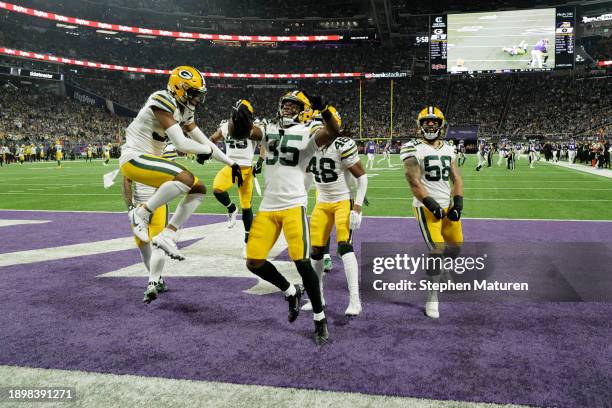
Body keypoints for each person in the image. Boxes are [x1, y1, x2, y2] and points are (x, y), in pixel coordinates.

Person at [245, 90, 342, 345]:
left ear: (305, 110)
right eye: (285, 105)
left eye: (293, 105)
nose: (287, 109)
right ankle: (290, 292)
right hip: (268, 206)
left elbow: (333, 130)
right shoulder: (268, 128)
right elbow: (244, 131)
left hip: (293, 204)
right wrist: (240, 118)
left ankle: (320, 318)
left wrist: (326, 108)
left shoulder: (309, 131)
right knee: (253, 261)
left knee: (302, 262)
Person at [119, 65, 242, 261]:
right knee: (185, 178)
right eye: (193, 93)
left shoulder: (184, 110)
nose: (197, 99)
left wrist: (231, 163)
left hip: (149, 160)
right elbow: (180, 143)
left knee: (198, 188)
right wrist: (206, 150)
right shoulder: (162, 99)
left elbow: (205, 142)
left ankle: (168, 234)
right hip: (134, 158)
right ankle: (140, 214)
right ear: (178, 88)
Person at [302, 107, 368, 316]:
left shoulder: (342, 144)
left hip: (342, 201)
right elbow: (306, 176)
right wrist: (300, 199)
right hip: (321, 203)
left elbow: (361, 177)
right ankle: (317, 297)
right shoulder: (310, 147)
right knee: (316, 252)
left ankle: (355, 300)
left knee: (344, 247)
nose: (317, 130)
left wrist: (357, 206)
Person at [400, 106, 463, 319]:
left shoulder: (449, 147)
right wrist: (430, 203)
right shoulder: (411, 147)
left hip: (447, 204)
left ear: (440, 124)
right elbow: (412, 180)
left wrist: (458, 203)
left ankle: (444, 268)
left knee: (456, 247)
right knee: (437, 249)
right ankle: (432, 297)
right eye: (426, 121)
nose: (430, 125)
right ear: (420, 125)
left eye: (434, 121)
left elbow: (456, 178)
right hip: (426, 208)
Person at [209, 100, 262, 249]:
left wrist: (261, 160)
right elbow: (212, 139)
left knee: (246, 207)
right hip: (231, 166)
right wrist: (207, 150)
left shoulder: (254, 129)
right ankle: (232, 208)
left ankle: (248, 242)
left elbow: (264, 141)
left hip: (246, 171)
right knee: (217, 189)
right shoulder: (226, 127)